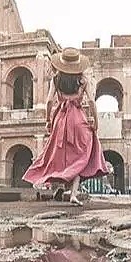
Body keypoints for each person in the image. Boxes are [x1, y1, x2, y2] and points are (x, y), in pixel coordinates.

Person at [22, 47, 109, 206]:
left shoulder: (56, 79)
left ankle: (59, 187)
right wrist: (95, 122)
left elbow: (49, 101)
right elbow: (91, 102)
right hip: (78, 119)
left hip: (60, 120)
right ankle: (73, 194)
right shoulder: (83, 81)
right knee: (80, 156)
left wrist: (48, 120)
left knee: (58, 156)